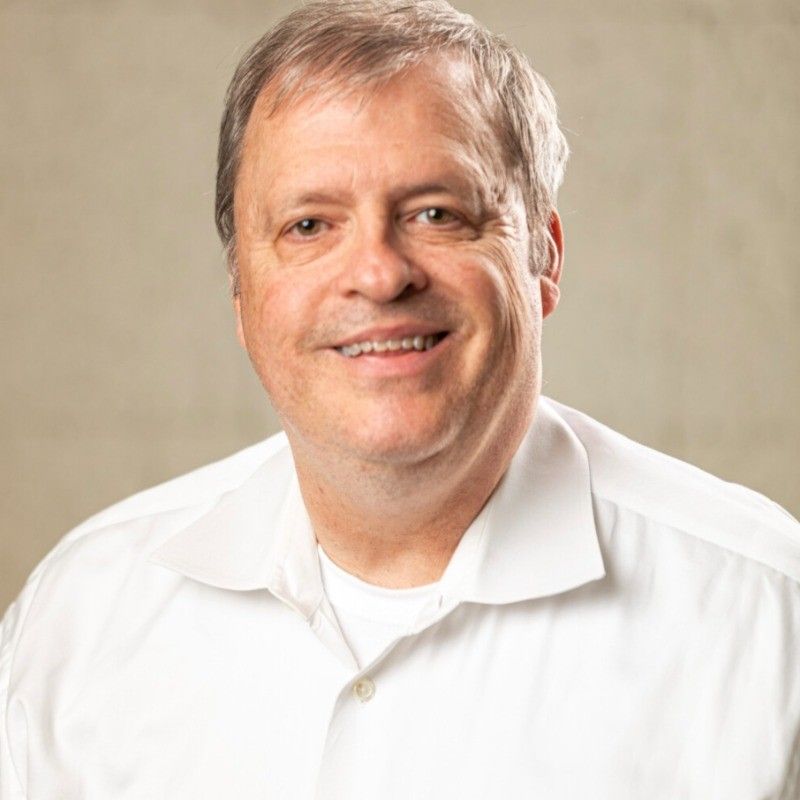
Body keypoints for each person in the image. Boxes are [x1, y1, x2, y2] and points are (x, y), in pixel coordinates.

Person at [1, 1, 798, 797]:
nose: (380, 274)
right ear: (241, 296)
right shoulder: (78, 619)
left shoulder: (766, 624)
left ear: (543, 258)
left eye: (435, 214)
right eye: (310, 225)